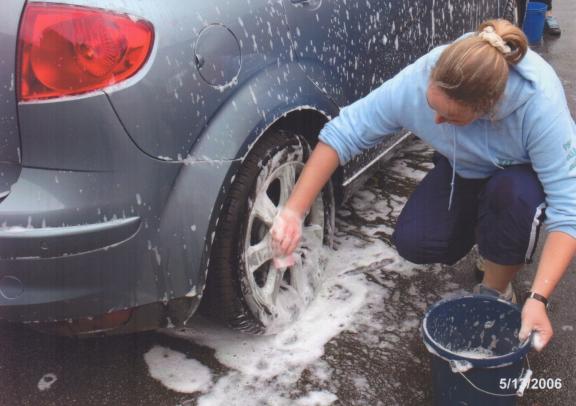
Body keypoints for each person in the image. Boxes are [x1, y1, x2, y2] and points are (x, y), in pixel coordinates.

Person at [270, 19, 576, 351]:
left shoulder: (538, 103)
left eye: (452, 119)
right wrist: (293, 211)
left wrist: (538, 298)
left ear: (487, 110)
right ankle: (493, 237)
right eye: (433, 107)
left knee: (511, 197)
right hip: (464, 168)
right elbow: (343, 133)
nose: (436, 123)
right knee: (415, 240)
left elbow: (568, 211)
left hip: (518, 181)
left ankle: (496, 283)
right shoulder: (423, 78)